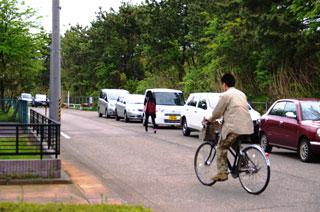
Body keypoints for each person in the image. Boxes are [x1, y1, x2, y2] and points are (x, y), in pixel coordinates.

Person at [206, 73, 253, 182]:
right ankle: (244, 163)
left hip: (234, 127)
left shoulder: (226, 95)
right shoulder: (241, 94)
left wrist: (209, 119)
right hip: (247, 127)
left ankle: (222, 173)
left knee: (221, 147)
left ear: (224, 84)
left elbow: (217, 112)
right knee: (234, 145)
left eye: (222, 84)